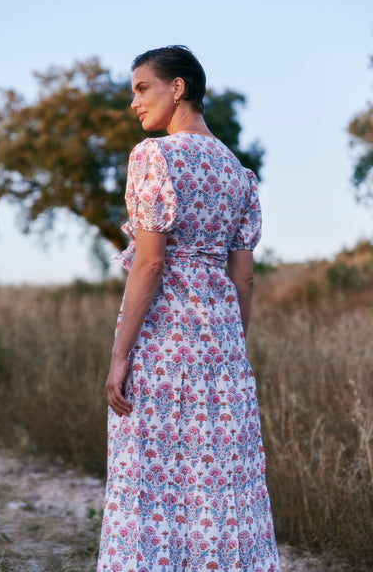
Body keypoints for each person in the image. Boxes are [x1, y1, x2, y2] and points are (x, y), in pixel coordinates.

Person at [97, 45, 280, 572]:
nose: (134, 103)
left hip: (164, 347)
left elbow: (150, 265)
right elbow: (242, 275)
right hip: (221, 350)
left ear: (177, 88)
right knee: (218, 489)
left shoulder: (154, 157)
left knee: (152, 487)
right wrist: (231, 346)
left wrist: (120, 354)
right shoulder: (239, 174)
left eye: (142, 88)